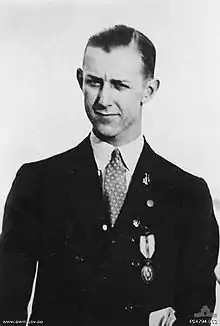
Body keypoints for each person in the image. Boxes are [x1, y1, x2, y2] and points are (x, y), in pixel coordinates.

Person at [0, 24, 219, 326]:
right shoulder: (37, 182)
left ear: (149, 90)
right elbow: (6, 309)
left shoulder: (187, 193)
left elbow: (199, 313)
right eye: (93, 82)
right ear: (80, 81)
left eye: (119, 85)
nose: (103, 99)